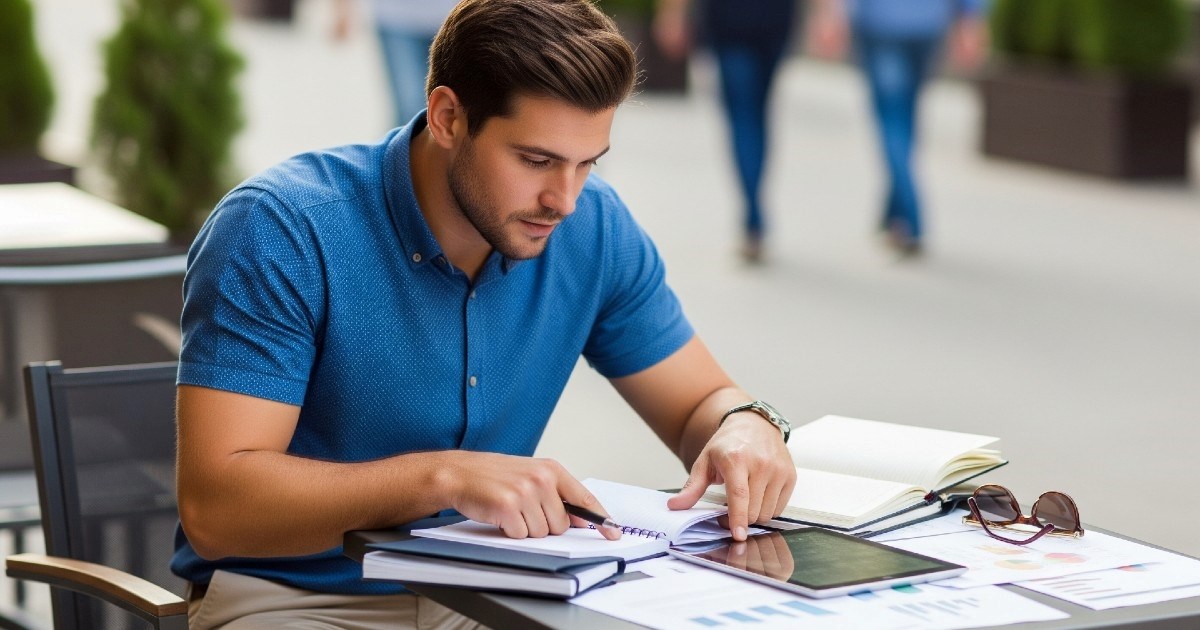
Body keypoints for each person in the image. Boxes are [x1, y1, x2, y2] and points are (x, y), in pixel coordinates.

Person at [175, 0, 797, 627]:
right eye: (535, 160)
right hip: (294, 601)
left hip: (496, 594)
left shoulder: (595, 229)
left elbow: (700, 403)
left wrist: (746, 424)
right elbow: (216, 511)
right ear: (448, 117)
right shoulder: (282, 228)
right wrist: (444, 479)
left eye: (588, 163)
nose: (565, 200)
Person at [808, 0, 988, 256]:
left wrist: (830, 13)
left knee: (893, 116)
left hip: (883, 23)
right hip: (926, 20)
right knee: (905, 114)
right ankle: (894, 214)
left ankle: (911, 214)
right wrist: (971, 18)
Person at [654, 0, 798, 264]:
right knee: (755, 115)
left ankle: (753, 217)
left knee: (744, 116)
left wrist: (672, 15)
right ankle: (754, 211)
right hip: (767, 17)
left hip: (738, 18)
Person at [333, 0, 458, 127]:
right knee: (410, 106)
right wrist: (342, 8)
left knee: (454, 106)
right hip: (396, 19)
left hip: (453, 15)